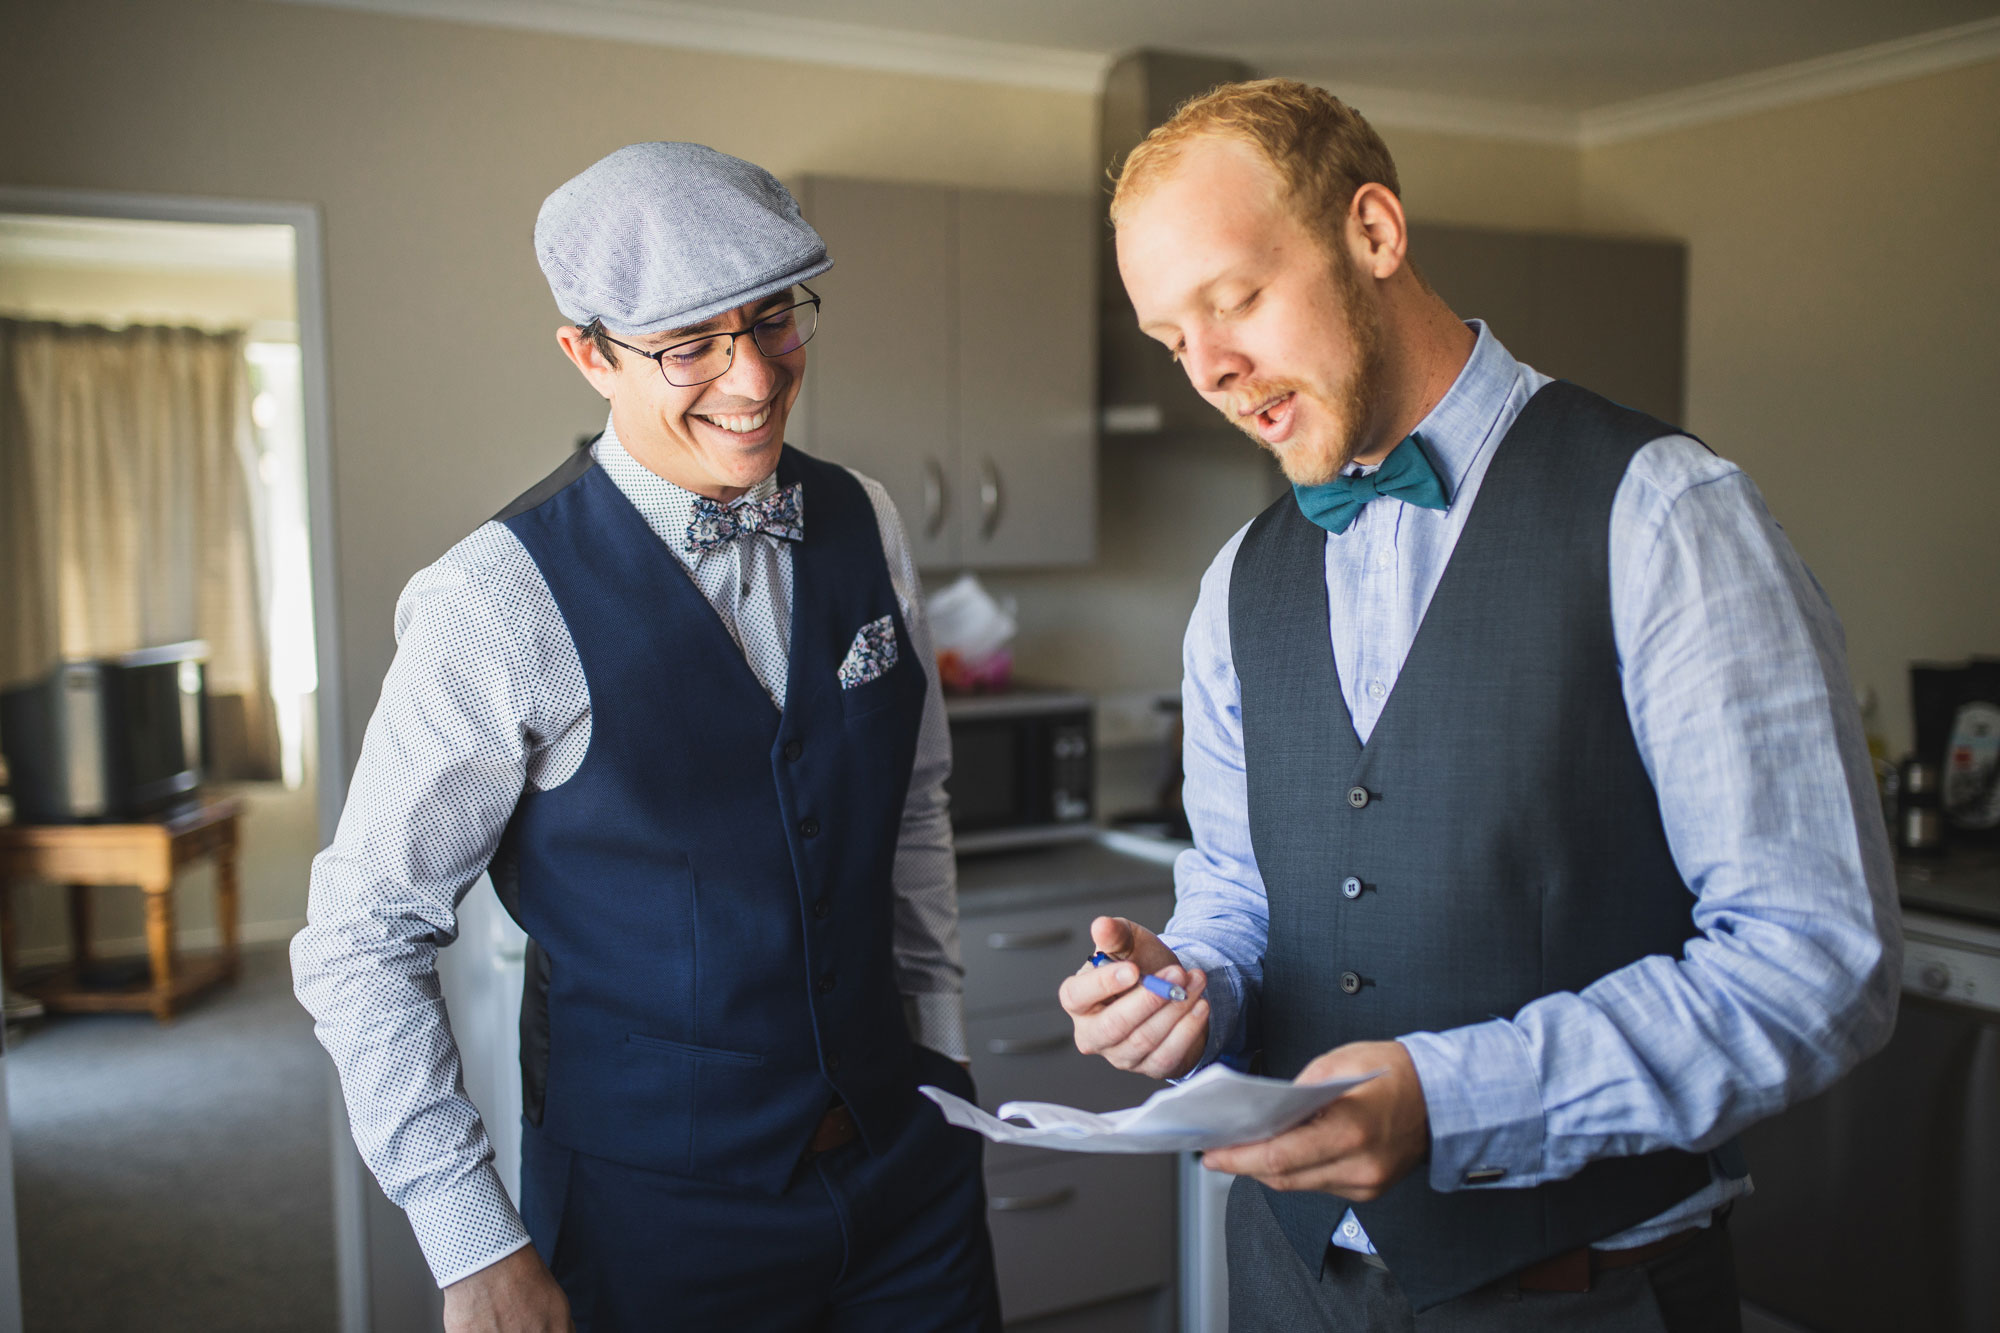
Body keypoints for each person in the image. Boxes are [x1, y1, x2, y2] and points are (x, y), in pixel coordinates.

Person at [1060, 79, 1900, 1331]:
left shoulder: (1661, 513)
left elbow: (1814, 961)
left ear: (1374, 233)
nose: (1213, 370)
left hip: (1579, 1295)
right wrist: (1187, 991)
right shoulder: (1238, 579)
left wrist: (1453, 1099)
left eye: (1232, 299)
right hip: (1285, 1280)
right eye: (1170, 339)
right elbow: (1240, 896)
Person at [293, 142, 999, 1333]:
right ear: (587, 355)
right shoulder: (492, 601)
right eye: (687, 345)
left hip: (907, 1172)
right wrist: (471, 1241)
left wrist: (940, 1051)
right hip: (654, 1219)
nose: (753, 378)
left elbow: (911, 802)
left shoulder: (864, 516)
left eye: (773, 320)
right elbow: (358, 941)